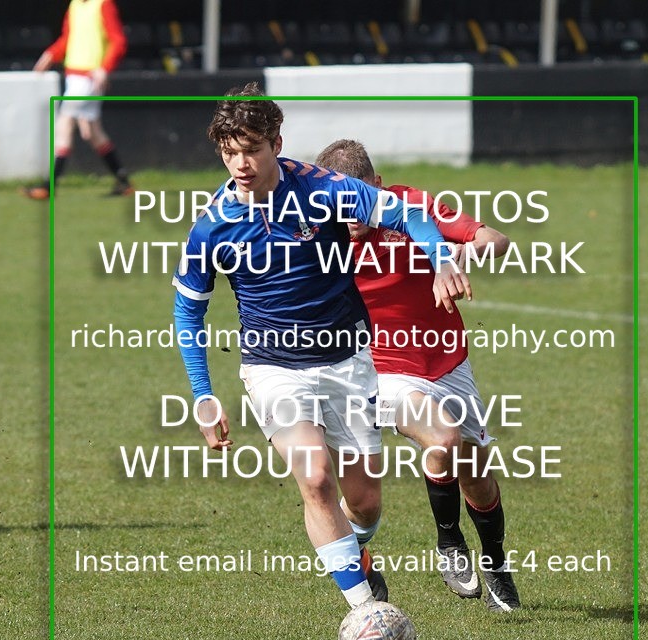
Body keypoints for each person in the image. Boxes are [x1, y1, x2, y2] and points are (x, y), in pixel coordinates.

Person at [173, 83, 471, 610]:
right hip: (272, 366)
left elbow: (405, 214)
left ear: (277, 143)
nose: (240, 163)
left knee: (365, 502)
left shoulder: (322, 188)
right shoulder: (212, 226)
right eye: (229, 152)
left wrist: (441, 258)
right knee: (314, 477)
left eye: (252, 150)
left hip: (348, 361)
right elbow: (188, 310)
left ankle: (353, 550)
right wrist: (203, 393)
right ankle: (366, 610)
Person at [315, 139, 521, 612]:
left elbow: (496, 240)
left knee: (477, 478)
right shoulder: (318, 233)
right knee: (443, 440)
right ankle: (449, 543)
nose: (350, 215)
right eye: (339, 203)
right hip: (381, 371)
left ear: (378, 188)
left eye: (359, 200)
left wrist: (459, 256)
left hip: (448, 361)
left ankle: (495, 563)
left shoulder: (409, 207)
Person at [24, 0, 132, 199]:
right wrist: (51, 54)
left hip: (88, 79)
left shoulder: (103, 4)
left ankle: (49, 186)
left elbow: (118, 40)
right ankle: (123, 181)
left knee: (64, 125)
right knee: (92, 131)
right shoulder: (75, 5)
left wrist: (104, 68)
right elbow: (69, 38)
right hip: (75, 77)